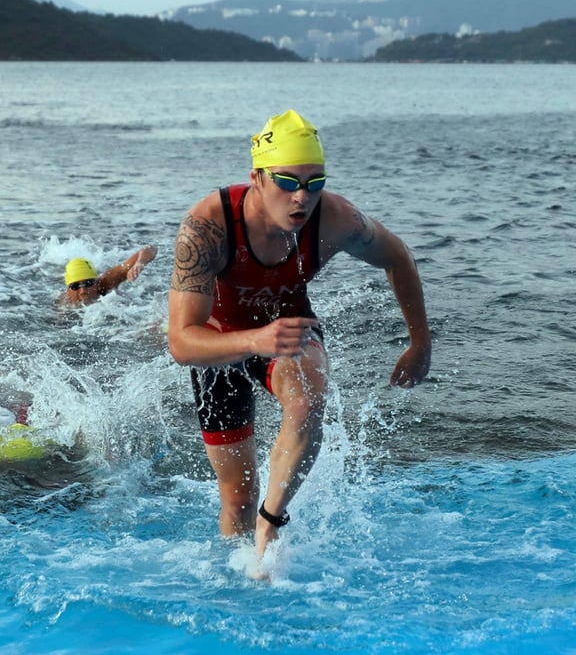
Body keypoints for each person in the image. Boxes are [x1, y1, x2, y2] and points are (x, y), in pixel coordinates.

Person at [166, 109, 431, 565]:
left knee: (308, 397)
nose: (301, 198)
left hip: (289, 328)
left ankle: (272, 521)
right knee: (236, 498)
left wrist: (420, 342)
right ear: (257, 178)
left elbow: (398, 256)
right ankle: (239, 572)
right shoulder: (209, 225)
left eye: (314, 182)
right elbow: (182, 342)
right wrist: (253, 340)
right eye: (288, 182)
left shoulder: (338, 219)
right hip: (220, 343)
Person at [57, 245, 158, 307]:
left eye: (88, 283)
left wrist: (139, 263)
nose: (83, 291)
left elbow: (151, 248)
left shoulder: (105, 282)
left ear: (96, 282)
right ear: (68, 290)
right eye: (75, 286)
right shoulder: (65, 304)